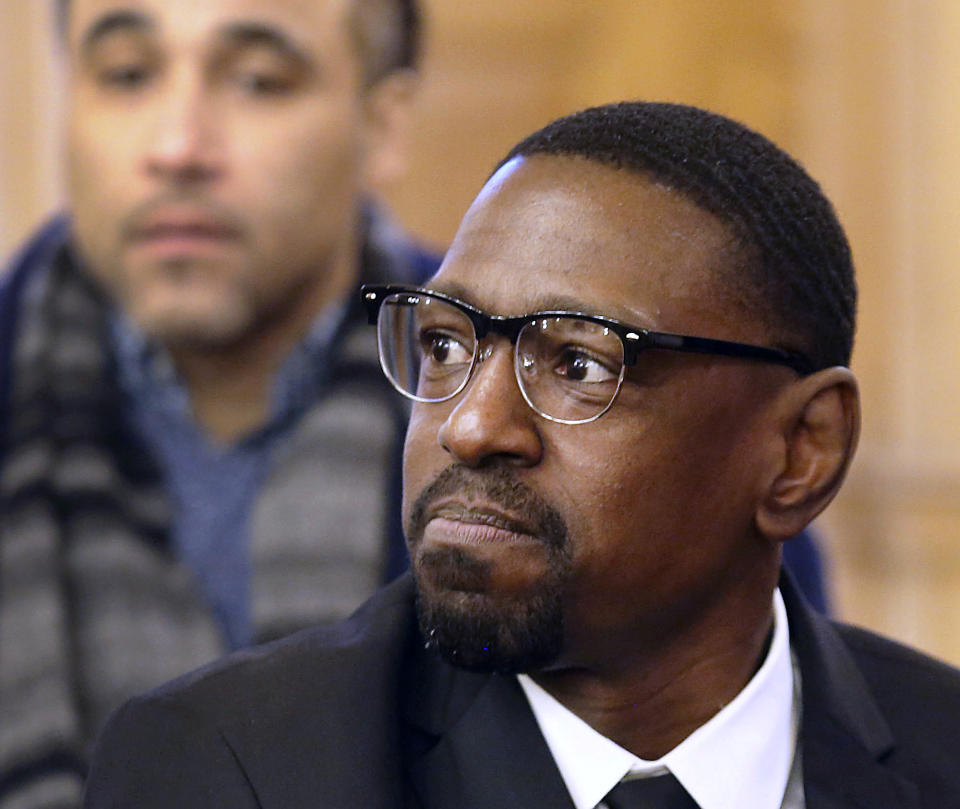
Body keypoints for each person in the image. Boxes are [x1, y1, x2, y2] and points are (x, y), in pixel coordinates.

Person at [83, 101, 960, 808]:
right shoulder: (229, 769)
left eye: (579, 364)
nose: (469, 426)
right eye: (447, 347)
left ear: (802, 451)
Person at [0, 0, 438, 804]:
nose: (177, 148)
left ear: (383, 124)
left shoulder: (516, 410)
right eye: (127, 74)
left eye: (258, 80)